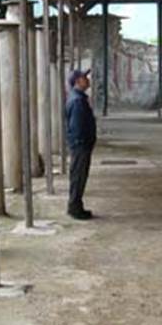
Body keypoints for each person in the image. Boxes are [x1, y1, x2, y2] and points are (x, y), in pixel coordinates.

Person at [65, 68, 96, 220]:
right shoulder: (77, 101)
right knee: (78, 176)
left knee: (79, 176)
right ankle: (74, 207)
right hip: (80, 145)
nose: (87, 79)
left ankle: (76, 205)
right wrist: (82, 142)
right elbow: (77, 126)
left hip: (80, 144)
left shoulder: (78, 98)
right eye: (84, 77)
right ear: (77, 81)